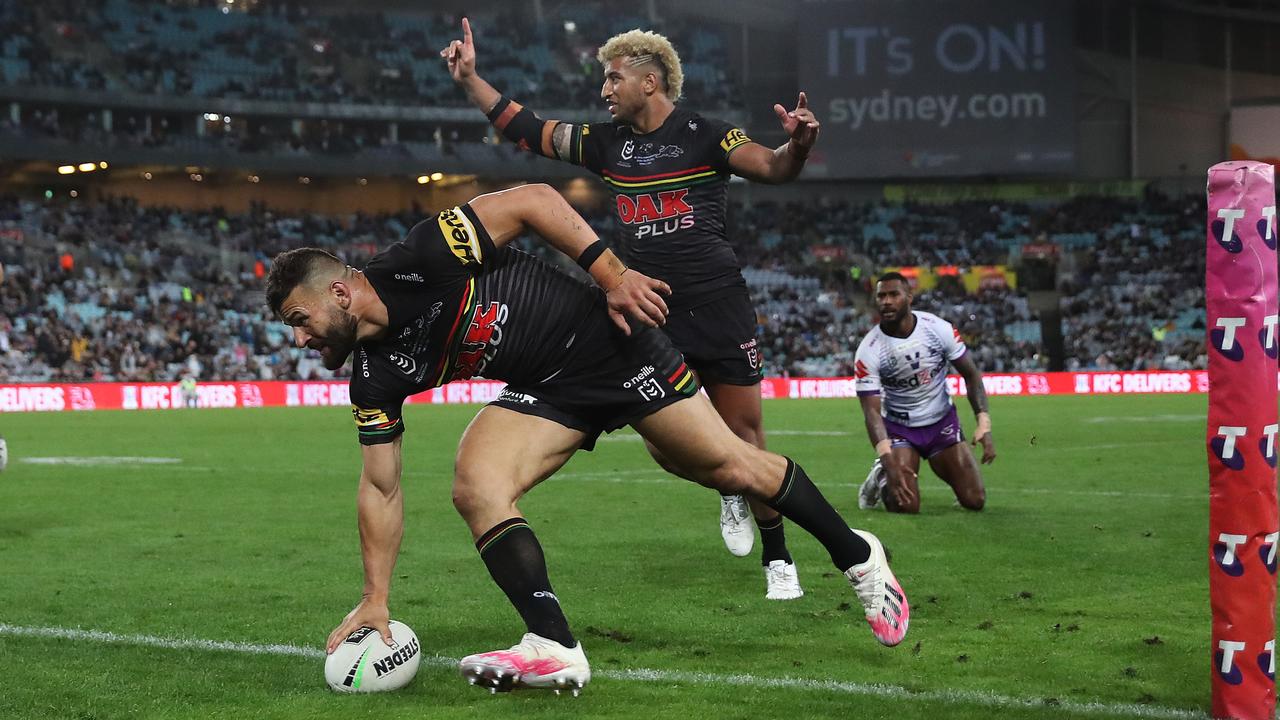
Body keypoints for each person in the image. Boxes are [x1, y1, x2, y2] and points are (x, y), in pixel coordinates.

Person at [272, 185, 909, 695]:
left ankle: (859, 557)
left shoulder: (420, 260)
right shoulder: (374, 377)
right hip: (547, 388)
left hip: (608, 344)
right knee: (476, 483)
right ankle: (554, 644)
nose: (300, 340)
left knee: (728, 466)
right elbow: (380, 486)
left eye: (300, 321)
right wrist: (375, 600)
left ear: (339, 291)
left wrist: (613, 275)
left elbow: (535, 203)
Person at [442, 20, 820, 599]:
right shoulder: (606, 143)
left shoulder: (708, 135)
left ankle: (778, 553)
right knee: (666, 446)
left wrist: (797, 144)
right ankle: (727, 490)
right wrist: (472, 81)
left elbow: (774, 168)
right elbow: (530, 131)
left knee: (745, 435)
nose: (604, 90)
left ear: (651, 80)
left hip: (717, 303)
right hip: (649, 309)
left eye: (614, 78)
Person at [855, 273, 997, 514]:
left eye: (893, 295)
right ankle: (880, 477)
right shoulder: (869, 350)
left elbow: (971, 375)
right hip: (900, 429)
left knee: (975, 500)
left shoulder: (938, 329)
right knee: (905, 505)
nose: (886, 301)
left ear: (909, 297)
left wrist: (983, 422)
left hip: (941, 423)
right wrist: (889, 461)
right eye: (881, 296)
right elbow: (871, 412)